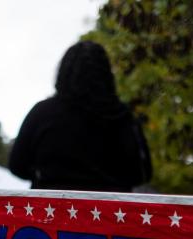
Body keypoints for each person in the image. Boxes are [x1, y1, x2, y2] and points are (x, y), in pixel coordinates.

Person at [9, 40, 152, 192]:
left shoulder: (42, 113)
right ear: (106, 74)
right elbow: (142, 173)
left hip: (51, 210)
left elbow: (17, 165)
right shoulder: (123, 117)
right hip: (110, 211)